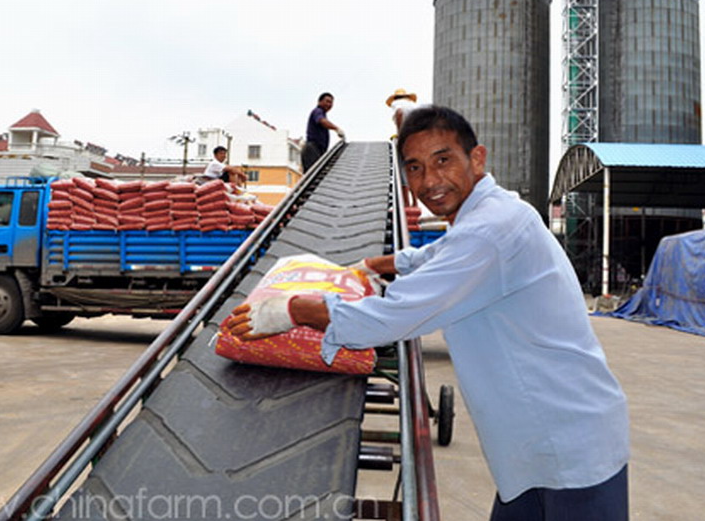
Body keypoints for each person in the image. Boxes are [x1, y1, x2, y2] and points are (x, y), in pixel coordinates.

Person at [228, 105, 630, 521]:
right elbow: (438, 254)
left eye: (443, 160)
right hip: (537, 442)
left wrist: (294, 310)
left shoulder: (490, 230)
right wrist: (376, 264)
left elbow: (394, 317)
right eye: (415, 168)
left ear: (477, 158)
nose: (430, 181)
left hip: (568, 446)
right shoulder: (495, 212)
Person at [301, 92, 345, 171]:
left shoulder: (322, 113)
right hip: (313, 148)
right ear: (319, 102)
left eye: (331, 103)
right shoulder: (317, 111)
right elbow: (321, 121)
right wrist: (336, 129)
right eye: (327, 101)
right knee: (314, 172)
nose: (329, 104)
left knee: (318, 171)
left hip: (319, 150)